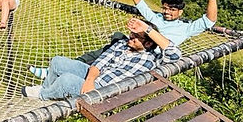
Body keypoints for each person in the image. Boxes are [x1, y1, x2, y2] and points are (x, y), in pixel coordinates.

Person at [27, 0, 218, 80]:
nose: (167, 12)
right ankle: (62, 69)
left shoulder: (185, 28)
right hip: (136, 46)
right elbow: (139, 2)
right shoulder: (156, 18)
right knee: (113, 43)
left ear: (180, 11)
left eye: (172, 9)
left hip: (152, 57)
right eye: (165, 8)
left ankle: (71, 75)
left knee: (109, 56)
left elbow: (209, 20)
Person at [22, 19, 179, 100]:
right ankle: (47, 91)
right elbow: (100, 62)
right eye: (131, 33)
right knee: (57, 61)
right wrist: (90, 80)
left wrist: (147, 29)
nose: (130, 37)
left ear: (149, 42)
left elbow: (175, 54)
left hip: (104, 90)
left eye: (136, 36)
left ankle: (43, 96)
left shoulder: (153, 60)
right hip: (93, 79)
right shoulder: (122, 44)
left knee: (66, 80)